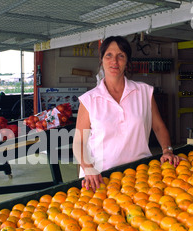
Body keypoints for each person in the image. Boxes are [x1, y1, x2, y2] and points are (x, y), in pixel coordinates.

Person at [73, 35, 181, 192]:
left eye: (121, 56)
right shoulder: (89, 99)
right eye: (109, 55)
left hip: (139, 175)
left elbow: (158, 127)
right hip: (100, 178)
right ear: (101, 59)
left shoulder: (144, 92)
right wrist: (88, 167)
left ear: (127, 62)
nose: (114, 61)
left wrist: (167, 150)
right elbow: (79, 142)